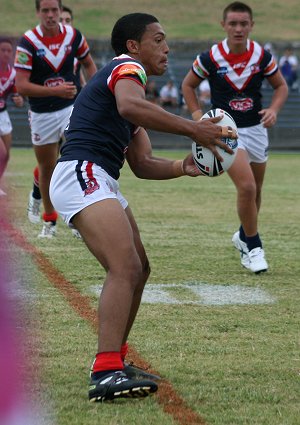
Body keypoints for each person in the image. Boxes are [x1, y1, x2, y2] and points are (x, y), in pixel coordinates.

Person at [49, 12, 236, 402]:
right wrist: (194, 128)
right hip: (82, 172)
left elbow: (142, 165)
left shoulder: (131, 92)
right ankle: (105, 370)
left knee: (141, 268)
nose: (166, 47)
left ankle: (114, 359)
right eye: (158, 39)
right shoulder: (126, 70)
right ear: (133, 46)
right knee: (126, 267)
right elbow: (132, 108)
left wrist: (184, 167)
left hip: (99, 177)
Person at [182, 1, 288, 274]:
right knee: (248, 188)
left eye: (243, 24)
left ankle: (243, 235)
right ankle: (253, 247)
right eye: (233, 23)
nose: (238, 29)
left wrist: (274, 109)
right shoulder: (211, 57)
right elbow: (188, 85)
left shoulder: (262, 56)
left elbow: (281, 86)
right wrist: (198, 119)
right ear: (223, 25)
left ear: (251, 25)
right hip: (226, 131)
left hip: (256, 129)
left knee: (256, 192)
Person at [14, 0, 97, 238]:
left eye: (54, 10)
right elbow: (21, 86)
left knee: (78, 158)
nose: (51, 15)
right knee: (47, 168)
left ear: (61, 11)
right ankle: (49, 221)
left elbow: (89, 65)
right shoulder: (28, 42)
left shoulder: (74, 36)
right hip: (41, 113)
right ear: (38, 13)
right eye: (45, 11)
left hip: (72, 107)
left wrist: (95, 93)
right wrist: (55, 91)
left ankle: (80, 219)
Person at [0, 38, 24, 196]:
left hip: (3, 115)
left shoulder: (13, 74)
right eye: (2, 50)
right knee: (1, 152)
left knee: (6, 155)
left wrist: (19, 100)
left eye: (9, 51)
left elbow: (19, 98)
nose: (6, 54)